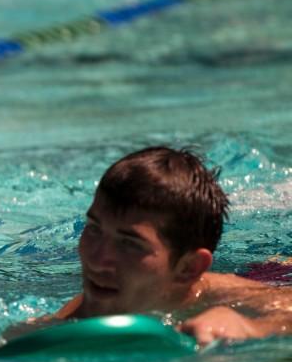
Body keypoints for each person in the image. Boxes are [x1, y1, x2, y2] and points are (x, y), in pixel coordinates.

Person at [30, 146, 292, 344]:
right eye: (94, 229)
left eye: (130, 244)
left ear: (189, 267)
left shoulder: (222, 295)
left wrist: (250, 328)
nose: (98, 259)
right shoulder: (77, 318)